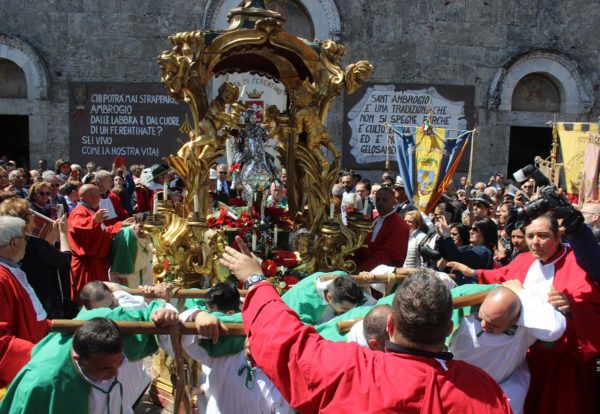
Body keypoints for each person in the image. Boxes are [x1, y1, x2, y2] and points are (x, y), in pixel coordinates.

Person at [214, 237, 512, 413]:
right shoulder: (483, 391)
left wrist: (255, 279)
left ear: (390, 324)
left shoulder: (351, 370)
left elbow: (287, 341)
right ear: (448, 330)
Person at [449, 214, 600, 414]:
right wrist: (476, 273)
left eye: (542, 236)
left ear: (558, 237)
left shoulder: (578, 263)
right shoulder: (525, 259)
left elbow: (591, 302)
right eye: (530, 236)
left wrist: (572, 307)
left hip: (563, 360)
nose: (535, 242)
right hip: (526, 353)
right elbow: (503, 276)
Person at [0, 306, 178, 414]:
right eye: (105, 369)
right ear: (79, 359)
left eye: (120, 363)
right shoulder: (43, 384)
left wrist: (161, 312)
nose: (115, 373)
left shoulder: (104, 324)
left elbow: (147, 314)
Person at [165, 282, 294, 414]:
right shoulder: (223, 354)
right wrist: (197, 315)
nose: (250, 341)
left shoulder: (279, 379)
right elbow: (179, 330)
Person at [449, 284, 565, 414]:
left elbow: (555, 329)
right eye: (480, 318)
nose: (484, 326)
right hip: (458, 391)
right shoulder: (464, 297)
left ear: (515, 320)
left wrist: (520, 293)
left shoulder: (528, 323)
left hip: (503, 395)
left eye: (493, 325)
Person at [0, 197, 75, 319]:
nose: (34, 215)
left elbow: (40, 252)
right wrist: (63, 233)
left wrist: (51, 237)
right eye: (30, 213)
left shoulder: (16, 241)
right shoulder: (31, 244)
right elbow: (64, 260)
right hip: (43, 303)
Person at [0, 216, 50, 388]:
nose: (28, 243)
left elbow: (32, 317)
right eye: (26, 238)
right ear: (13, 243)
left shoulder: (10, 270)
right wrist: (42, 357)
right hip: (18, 373)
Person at [68, 184, 134, 301]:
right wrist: (93, 220)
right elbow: (79, 226)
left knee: (100, 298)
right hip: (87, 265)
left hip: (98, 263)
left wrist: (121, 224)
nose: (101, 198)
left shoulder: (91, 211)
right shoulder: (79, 212)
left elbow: (104, 232)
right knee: (89, 299)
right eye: (99, 195)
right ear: (92, 197)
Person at [282, 273, 373, 325]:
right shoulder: (304, 307)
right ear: (329, 297)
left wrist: (366, 287)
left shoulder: (342, 278)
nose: (349, 313)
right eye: (345, 309)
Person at [355, 187, 409, 272]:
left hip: (382, 278)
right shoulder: (375, 220)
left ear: (393, 202)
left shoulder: (399, 225)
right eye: (378, 200)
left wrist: (361, 270)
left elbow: (387, 255)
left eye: (384, 200)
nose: (380, 203)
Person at [437, 216, 497, 284]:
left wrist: (446, 235)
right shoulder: (470, 248)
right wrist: (441, 235)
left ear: (485, 233)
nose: (470, 231)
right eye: (471, 229)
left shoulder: (484, 252)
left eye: (475, 229)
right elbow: (447, 255)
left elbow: (455, 256)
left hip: (471, 292)